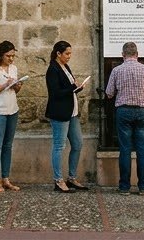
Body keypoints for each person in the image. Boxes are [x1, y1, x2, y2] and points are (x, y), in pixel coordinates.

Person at [104, 41, 144, 195]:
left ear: (123, 55)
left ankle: (124, 187)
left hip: (124, 111)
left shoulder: (116, 70)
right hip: (142, 111)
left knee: (125, 149)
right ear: (137, 54)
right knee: (142, 150)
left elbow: (109, 93)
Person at [45, 40, 90, 193]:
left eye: (70, 53)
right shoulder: (53, 69)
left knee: (77, 143)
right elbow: (55, 92)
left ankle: (71, 177)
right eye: (67, 53)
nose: (69, 56)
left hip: (72, 112)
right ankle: (58, 180)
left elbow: (69, 89)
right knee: (59, 146)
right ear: (58, 53)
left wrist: (77, 88)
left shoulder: (65, 67)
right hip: (60, 113)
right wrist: (72, 88)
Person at [0, 40, 24, 193]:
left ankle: (6, 178)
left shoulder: (13, 68)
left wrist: (17, 86)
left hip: (12, 110)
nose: (11, 59)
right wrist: (5, 84)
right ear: (0, 54)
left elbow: (15, 91)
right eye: (8, 56)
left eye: (13, 56)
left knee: (8, 145)